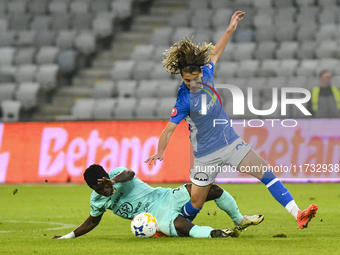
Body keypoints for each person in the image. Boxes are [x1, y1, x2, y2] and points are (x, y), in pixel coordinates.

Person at [144, 11, 317, 229]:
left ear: (200, 72)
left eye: (195, 78)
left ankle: (297, 213)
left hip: (231, 143)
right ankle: (172, 226)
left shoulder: (207, 72)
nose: (192, 82)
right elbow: (169, 130)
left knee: (265, 172)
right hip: (205, 155)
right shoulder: (183, 100)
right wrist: (160, 151)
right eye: (187, 80)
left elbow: (215, 54)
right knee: (196, 202)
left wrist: (230, 29)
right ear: (181, 77)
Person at [52, 164, 264, 239]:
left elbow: (130, 173)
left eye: (106, 186)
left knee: (212, 189)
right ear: (93, 189)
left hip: (164, 196)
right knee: (182, 227)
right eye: (100, 189)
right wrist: (67, 237)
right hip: (154, 217)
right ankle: (215, 234)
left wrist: (114, 180)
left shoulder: (117, 175)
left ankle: (239, 220)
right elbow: (92, 222)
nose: (106, 191)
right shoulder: (97, 200)